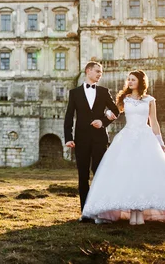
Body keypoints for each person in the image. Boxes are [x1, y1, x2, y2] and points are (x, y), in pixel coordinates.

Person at [81, 70, 165, 226]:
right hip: (127, 138)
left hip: (145, 138)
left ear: (140, 82)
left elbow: (154, 122)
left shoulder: (150, 100)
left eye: (133, 80)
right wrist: (101, 120)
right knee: (129, 174)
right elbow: (112, 113)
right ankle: (132, 213)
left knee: (143, 174)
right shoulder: (125, 99)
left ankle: (140, 214)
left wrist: (160, 141)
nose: (129, 82)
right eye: (128, 80)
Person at [64, 61, 120, 222]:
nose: (99, 75)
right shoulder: (74, 93)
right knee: (82, 176)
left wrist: (103, 121)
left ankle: (100, 211)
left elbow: (115, 110)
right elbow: (69, 116)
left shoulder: (103, 92)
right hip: (80, 139)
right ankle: (85, 212)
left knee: (99, 173)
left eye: (101, 73)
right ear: (88, 71)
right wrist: (68, 137)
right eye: (97, 71)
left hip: (99, 139)